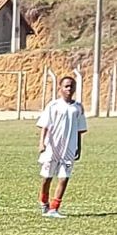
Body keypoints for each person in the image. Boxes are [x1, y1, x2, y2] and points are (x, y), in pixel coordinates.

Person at [37, 75, 87, 219]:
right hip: (52, 146)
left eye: (71, 86)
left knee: (64, 177)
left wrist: (79, 147)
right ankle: (43, 201)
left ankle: (54, 208)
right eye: (66, 86)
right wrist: (42, 143)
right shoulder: (53, 106)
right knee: (47, 177)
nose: (69, 89)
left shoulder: (78, 107)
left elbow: (79, 129)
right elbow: (45, 125)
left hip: (69, 148)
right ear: (60, 88)